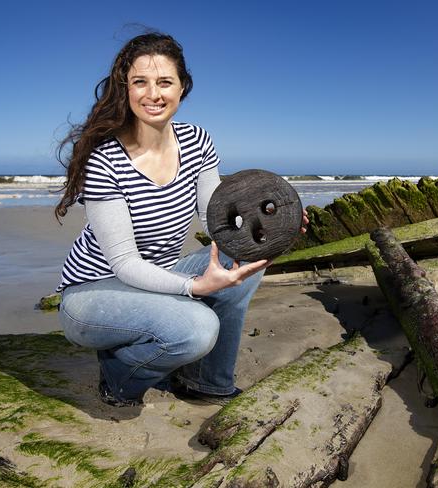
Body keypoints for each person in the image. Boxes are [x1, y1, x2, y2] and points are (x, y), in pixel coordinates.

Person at [54, 32, 305, 407]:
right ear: (126, 88)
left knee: (243, 258)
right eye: (140, 82)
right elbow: (123, 264)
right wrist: (195, 287)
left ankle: (209, 382)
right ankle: (120, 373)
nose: (153, 94)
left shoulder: (198, 141)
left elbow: (215, 217)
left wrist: (272, 231)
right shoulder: (105, 161)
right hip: (95, 294)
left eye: (164, 82)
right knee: (198, 329)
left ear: (182, 87)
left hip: (156, 276)